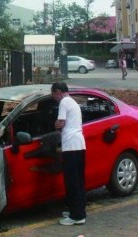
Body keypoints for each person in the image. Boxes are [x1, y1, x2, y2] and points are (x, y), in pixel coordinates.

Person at [51, 82, 87, 226]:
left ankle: (76, 216)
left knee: (72, 182)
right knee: (79, 181)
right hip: (79, 144)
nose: (53, 97)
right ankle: (77, 210)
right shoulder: (73, 102)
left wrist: (55, 124)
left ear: (58, 91)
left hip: (70, 145)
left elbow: (61, 123)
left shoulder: (64, 102)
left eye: (53, 94)